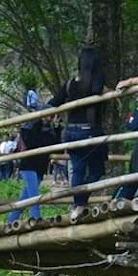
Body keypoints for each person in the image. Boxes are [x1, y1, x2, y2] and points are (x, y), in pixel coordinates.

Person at [48, 46, 109, 220]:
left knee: (78, 170)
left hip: (71, 132)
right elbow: (97, 90)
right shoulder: (97, 82)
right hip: (91, 131)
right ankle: (81, 203)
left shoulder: (70, 84)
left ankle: (78, 206)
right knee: (97, 170)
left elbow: (53, 102)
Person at [6, 111, 57, 224]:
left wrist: (56, 128)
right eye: (49, 115)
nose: (50, 118)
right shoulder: (31, 128)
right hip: (29, 166)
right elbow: (31, 142)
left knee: (25, 198)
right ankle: (35, 219)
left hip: (40, 167)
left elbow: (55, 144)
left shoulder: (50, 130)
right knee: (34, 196)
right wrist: (38, 124)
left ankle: (10, 221)